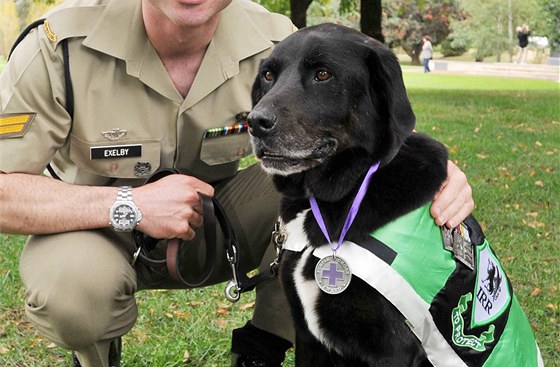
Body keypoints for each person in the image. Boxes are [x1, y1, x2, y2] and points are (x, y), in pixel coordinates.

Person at [0, 1, 474, 366]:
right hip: (96, 225)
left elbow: (369, 107)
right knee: (72, 288)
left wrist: (437, 172)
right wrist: (130, 203)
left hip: (221, 223)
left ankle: (260, 350)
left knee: (332, 195)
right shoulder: (58, 44)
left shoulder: (277, 38)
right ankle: (100, 357)